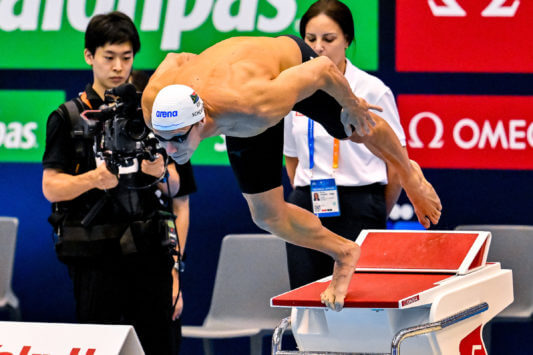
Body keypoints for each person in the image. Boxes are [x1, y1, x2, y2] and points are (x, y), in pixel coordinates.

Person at [141, 29, 441, 311]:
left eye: (179, 138)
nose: (171, 150)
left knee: (354, 125)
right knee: (266, 216)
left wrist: (350, 103)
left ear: (201, 121)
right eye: (162, 138)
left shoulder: (256, 103)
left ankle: (409, 173)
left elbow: (323, 68)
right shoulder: (153, 103)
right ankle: (344, 251)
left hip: (285, 68)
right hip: (231, 101)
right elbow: (175, 59)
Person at [42, 12, 196, 354]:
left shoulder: (154, 114)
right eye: (109, 57)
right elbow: (51, 186)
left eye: (126, 58)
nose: (118, 67)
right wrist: (94, 179)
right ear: (89, 56)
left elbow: (179, 193)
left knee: (159, 344)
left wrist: (160, 174)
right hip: (94, 255)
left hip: (149, 252)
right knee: (101, 345)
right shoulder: (68, 118)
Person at [284, 0, 411, 289]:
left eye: (329, 39)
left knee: (357, 303)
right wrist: (305, 193)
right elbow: (291, 157)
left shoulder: (371, 90)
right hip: (307, 205)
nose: (318, 47)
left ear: (347, 41)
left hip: (360, 206)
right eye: (311, 39)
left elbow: (397, 161)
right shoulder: (292, 90)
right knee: (306, 300)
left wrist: (376, 207)